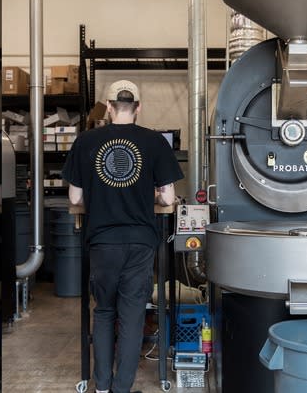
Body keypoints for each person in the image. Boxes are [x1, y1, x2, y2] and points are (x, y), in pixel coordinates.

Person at [63, 80, 183, 393]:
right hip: (141, 240)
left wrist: (103, 198)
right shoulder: (155, 142)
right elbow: (169, 199)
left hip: (102, 240)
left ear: (109, 106)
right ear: (139, 107)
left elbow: (75, 199)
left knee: (104, 311)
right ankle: (121, 389)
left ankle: (101, 386)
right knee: (131, 317)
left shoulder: (87, 141)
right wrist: (149, 197)